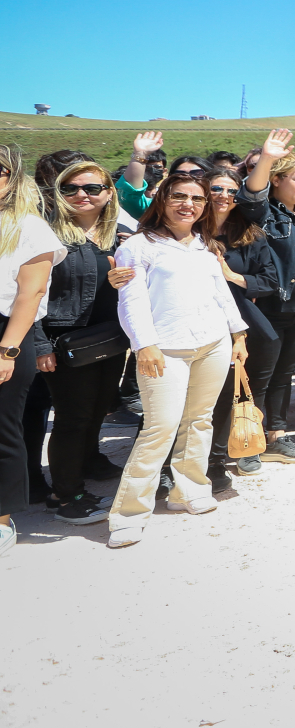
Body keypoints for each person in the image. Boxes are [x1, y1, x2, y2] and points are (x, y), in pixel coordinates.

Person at [107, 173, 247, 548]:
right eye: (179, 197)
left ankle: (189, 491)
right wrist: (144, 345)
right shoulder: (138, 246)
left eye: (197, 199)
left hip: (213, 343)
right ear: (162, 200)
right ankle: (128, 515)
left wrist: (238, 334)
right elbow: (131, 301)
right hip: (164, 348)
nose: (189, 205)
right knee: (160, 428)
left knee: (199, 419)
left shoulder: (205, 244)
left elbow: (221, 293)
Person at [35, 161, 133, 523]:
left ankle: (78, 475)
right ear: (58, 193)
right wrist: (40, 345)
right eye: (71, 188)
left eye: (92, 188)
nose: (82, 195)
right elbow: (29, 295)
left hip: (109, 340)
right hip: (64, 343)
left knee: (96, 413)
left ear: (108, 193)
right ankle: (65, 496)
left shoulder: (119, 236)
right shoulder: (45, 236)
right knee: (72, 419)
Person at [237, 130, 295, 468]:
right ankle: (248, 441)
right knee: (258, 377)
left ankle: (277, 437)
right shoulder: (265, 214)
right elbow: (251, 195)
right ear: (277, 180)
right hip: (269, 308)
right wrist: (268, 159)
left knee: (284, 375)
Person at [0, 148, 64, 557]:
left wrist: (7, 351)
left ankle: (2, 520)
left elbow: (32, 292)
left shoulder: (28, 227)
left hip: (7, 332)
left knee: (1, 428)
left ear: (13, 176)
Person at [201, 168, 280, 488]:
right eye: (216, 189)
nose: (224, 196)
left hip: (241, 318)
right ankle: (182, 463)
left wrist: (231, 276)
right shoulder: (187, 229)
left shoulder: (250, 233)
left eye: (232, 191)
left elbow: (270, 281)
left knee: (241, 390)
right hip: (197, 318)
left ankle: (237, 449)